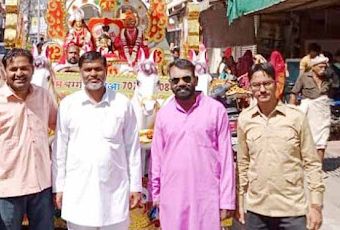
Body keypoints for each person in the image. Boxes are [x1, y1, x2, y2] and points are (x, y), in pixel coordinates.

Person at [0, 48, 58, 230]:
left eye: (24, 68)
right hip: (9, 190)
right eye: (13, 69)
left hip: (43, 188)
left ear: (32, 69)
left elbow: (62, 129)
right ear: (4, 71)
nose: (19, 74)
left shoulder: (43, 96)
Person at [53, 52, 142, 230]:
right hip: (79, 191)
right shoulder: (69, 105)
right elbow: (59, 150)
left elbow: (133, 148)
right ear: (80, 72)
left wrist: (136, 186)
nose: (93, 74)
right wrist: (59, 187)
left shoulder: (122, 104)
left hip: (114, 192)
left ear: (106, 71)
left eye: (98, 69)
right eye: (88, 70)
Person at [150, 59, 235, 229]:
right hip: (172, 198)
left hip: (206, 199)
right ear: (170, 84)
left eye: (186, 79)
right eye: (176, 80)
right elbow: (156, 159)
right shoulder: (164, 114)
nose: (181, 83)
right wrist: (155, 195)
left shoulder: (215, 110)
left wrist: (226, 201)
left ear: (195, 80)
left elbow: (226, 159)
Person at [237, 63, 324, 230]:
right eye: (256, 85)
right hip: (257, 211)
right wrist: (239, 200)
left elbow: (312, 163)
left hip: (292, 210)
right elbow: (242, 164)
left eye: (267, 83)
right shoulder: (245, 120)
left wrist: (315, 205)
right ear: (250, 88)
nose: (262, 90)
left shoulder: (296, 118)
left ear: (276, 84)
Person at [290, 54, 332, 163]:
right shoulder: (304, 77)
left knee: (322, 139)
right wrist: (290, 111)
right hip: (308, 112)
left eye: (325, 67)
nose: (323, 69)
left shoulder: (328, 78)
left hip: (323, 112)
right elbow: (294, 94)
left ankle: (318, 167)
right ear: (313, 66)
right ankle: (307, 163)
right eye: (320, 67)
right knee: (307, 138)